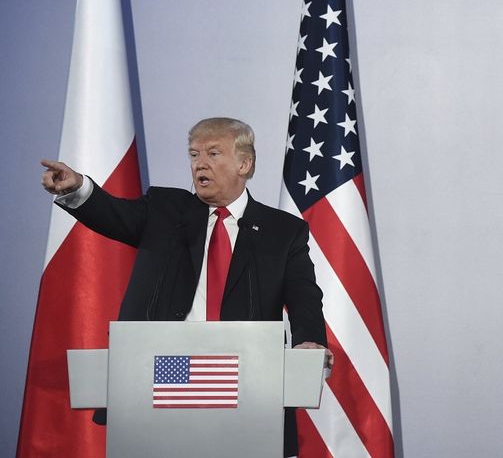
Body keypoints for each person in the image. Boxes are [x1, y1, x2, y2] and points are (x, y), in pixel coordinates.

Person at [41, 117, 331, 456]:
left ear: (244, 163)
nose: (200, 164)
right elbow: (112, 213)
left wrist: (309, 342)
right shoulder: (164, 210)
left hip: (245, 376)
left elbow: (303, 296)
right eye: (194, 155)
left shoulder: (283, 230)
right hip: (167, 369)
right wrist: (76, 188)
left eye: (213, 153)